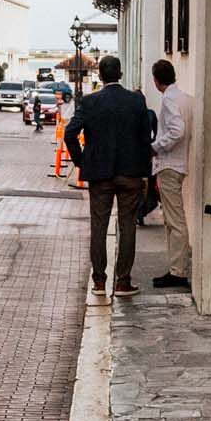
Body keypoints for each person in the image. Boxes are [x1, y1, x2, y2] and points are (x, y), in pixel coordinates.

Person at [64, 53, 152, 301]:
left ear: (100, 76)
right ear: (120, 74)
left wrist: (82, 161)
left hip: (100, 174)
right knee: (127, 228)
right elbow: (146, 137)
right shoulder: (136, 101)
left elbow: (70, 133)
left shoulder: (91, 102)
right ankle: (123, 282)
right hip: (131, 173)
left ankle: (100, 281)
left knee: (99, 227)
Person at [151, 57, 194, 290]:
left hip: (169, 165)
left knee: (174, 220)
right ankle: (176, 268)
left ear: (156, 81)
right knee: (174, 218)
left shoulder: (168, 100)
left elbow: (177, 130)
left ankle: (177, 271)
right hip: (179, 163)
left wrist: (156, 146)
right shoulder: (186, 99)